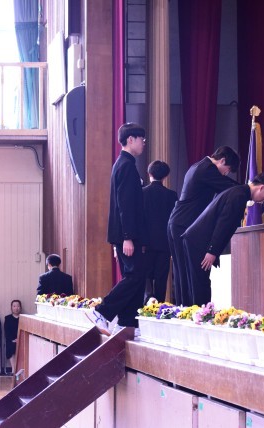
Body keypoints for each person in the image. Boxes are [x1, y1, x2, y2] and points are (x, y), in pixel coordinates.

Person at [183, 172, 264, 306]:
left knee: (199, 284)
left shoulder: (239, 192)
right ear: (261, 188)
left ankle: (200, 313)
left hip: (197, 239)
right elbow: (223, 225)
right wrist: (212, 251)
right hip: (199, 241)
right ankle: (201, 315)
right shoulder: (239, 196)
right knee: (200, 285)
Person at [86, 123, 147, 336]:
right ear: (130, 140)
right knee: (134, 275)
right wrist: (127, 237)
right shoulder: (126, 166)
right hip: (127, 235)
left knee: (137, 276)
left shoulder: (122, 164)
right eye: (141, 139)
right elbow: (125, 204)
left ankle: (127, 323)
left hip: (124, 234)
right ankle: (102, 311)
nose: (144, 143)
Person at [167, 146, 240, 305]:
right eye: (227, 170)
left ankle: (186, 310)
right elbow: (230, 187)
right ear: (222, 161)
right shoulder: (207, 169)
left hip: (178, 222)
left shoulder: (198, 166)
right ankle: (191, 310)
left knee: (183, 273)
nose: (225, 174)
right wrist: (249, 189)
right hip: (183, 224)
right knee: (189, 273)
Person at [142, 160, 178, 303]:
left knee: (146, 276)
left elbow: (138, 219)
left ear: (149, 173)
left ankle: (148, 300)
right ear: (165, 176)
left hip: (145, 243)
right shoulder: (172, 195)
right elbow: (174, 220)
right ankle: (160, 307)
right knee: (161, 279)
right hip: (165, 244)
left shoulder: (141, 193)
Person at [4, 300, 22, 375]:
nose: (16, 308)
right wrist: (13, 339)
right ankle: (14, 369)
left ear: (20, 307)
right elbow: (7, 331)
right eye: (14, 306)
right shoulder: (7, 318)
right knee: (11, 345)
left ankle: (19, 369)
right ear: (11, 308)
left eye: (18, 306)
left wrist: (19, 339)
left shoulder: (23, 318)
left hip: (21, 339)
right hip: (11, 339)